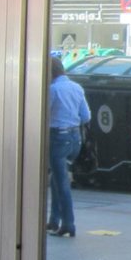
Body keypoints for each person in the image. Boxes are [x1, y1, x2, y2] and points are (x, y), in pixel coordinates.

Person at [48, 54, 90, 238]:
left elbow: (43, 114)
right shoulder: (77, 87)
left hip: (58, 137)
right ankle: (53, 220)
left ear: (50, 73)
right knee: (56, 178)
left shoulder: (53, 89)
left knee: (61, 183)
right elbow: (86, 116)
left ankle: (68, 224)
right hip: (75, 139)